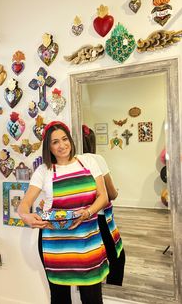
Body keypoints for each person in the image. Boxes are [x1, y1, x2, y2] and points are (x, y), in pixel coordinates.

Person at [18, 121, 110, 304]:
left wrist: (87, 212)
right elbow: (25, 203)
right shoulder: (43, 171)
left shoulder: (88, 161)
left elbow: (104, 196)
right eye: (55, 142)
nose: (62, 145)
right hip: (56, 244)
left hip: (87, 239)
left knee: (92, 298)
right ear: (49, 147)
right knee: (60, 298)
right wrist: (25, 216)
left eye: (64, 139)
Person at [82, 125, 125, 286]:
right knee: (117, 258)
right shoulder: (96, 159)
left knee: (89, 258)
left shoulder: (72, 161)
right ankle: (113, 294)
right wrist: (115, 192)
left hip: (82, 219)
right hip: (99, 218)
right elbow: (111, 194)